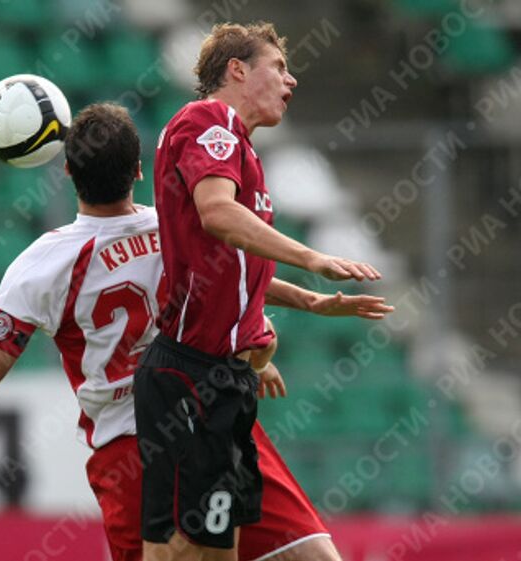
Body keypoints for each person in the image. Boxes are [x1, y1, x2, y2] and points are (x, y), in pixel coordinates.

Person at [0, 103, 393, 561]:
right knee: (311, 554)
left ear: (68, 173)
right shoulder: (173, 230)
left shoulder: (41, 265)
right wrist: (310, 303)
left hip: (131, 452)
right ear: (138, 169)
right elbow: (237, 275)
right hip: (208, 415)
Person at [136, 22, 385, 560]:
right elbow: (219, 215)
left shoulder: (240, 150)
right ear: (237, 70)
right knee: (185, 551)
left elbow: (236, 264)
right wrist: (313, 258)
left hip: (221, 380)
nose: (291, 81)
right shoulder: (210, 120)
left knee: (209, 551)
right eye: (279, 67)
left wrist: (312, 300)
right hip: (191, 376)